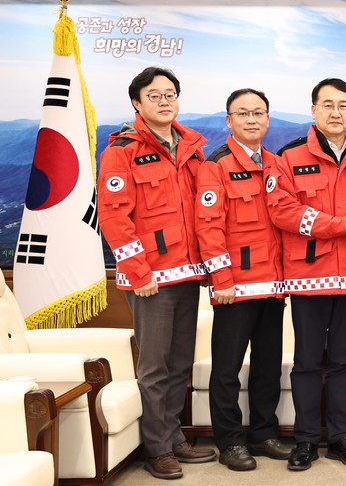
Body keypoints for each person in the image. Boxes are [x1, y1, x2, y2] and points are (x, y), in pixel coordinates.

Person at [266, 78, 346, 471]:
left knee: (343, 360)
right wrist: (336, 224)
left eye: (343, 105)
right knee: (307, 361)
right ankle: (306, 439)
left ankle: (340, 438)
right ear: (314, 110)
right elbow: (281, 210)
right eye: (328, 105)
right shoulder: (288, 156)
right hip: (309, 274)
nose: (336, 113)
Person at [97, 67, 216, 480]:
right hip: (149, 278)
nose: (164, 101)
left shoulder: (192, 148)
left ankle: (174, 437)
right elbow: (114, 217)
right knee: (154, 366)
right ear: (137, 102)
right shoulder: (121, 151)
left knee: (180, 362)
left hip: (188, 273)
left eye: (170, 94)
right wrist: (138, 271)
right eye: (154, 95)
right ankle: (157, 448)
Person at [195, 88, 292, 471]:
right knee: (227, 369)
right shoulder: (215, 165)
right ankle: (230, 442)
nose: (252, 120)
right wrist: (221, 279)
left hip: (273, 285)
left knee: (268, 365)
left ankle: (264, 433)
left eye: (258, 113)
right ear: (229, 120)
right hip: (233, 287)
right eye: (243, 113)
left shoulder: (276, 162)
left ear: (267, 118)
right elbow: (209, 228)